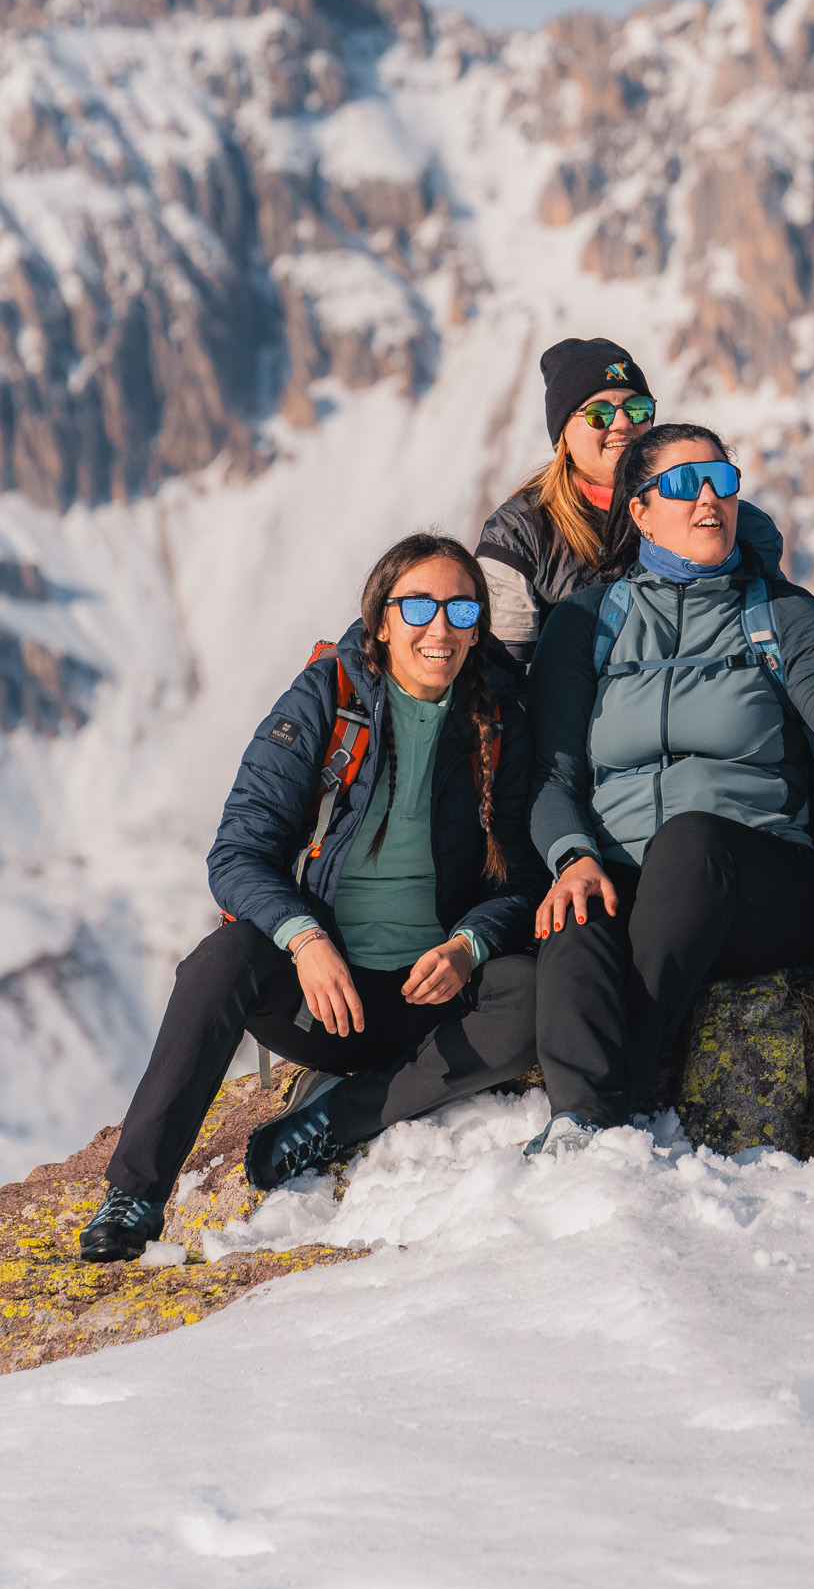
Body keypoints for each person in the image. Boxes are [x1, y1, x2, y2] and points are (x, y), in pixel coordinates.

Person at [78, 535, 547, 1262]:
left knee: (532, 991)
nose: (441, 627)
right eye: (418, 605)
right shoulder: (328, 696)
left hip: (436, 1002)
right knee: (220, 960)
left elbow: (519, 881)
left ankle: (344, 1114)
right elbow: (237, 852)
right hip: (322, 999)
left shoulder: (499, 717)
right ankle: (136, 1192)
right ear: (381, 619)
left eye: (461, 608)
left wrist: (467, 946)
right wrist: (305, 939)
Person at [524, 423, 814, 1151]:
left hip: (758, 885)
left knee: (690, 839)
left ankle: (623, 1097)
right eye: (681, 483)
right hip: (634, 887)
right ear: (638, 509)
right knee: (576, 912)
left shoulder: (780, 612)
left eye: (722, 481)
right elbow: (550, 774)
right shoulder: (586, 623)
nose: (708, 497)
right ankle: (577, 1121)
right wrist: (573, 855)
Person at [475, 337, 657, 668]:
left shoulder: (686, 505)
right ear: (563, 437)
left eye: (637, 408)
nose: (622, 423)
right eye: (598, 414)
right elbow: (504, 674)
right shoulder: (519, 533)